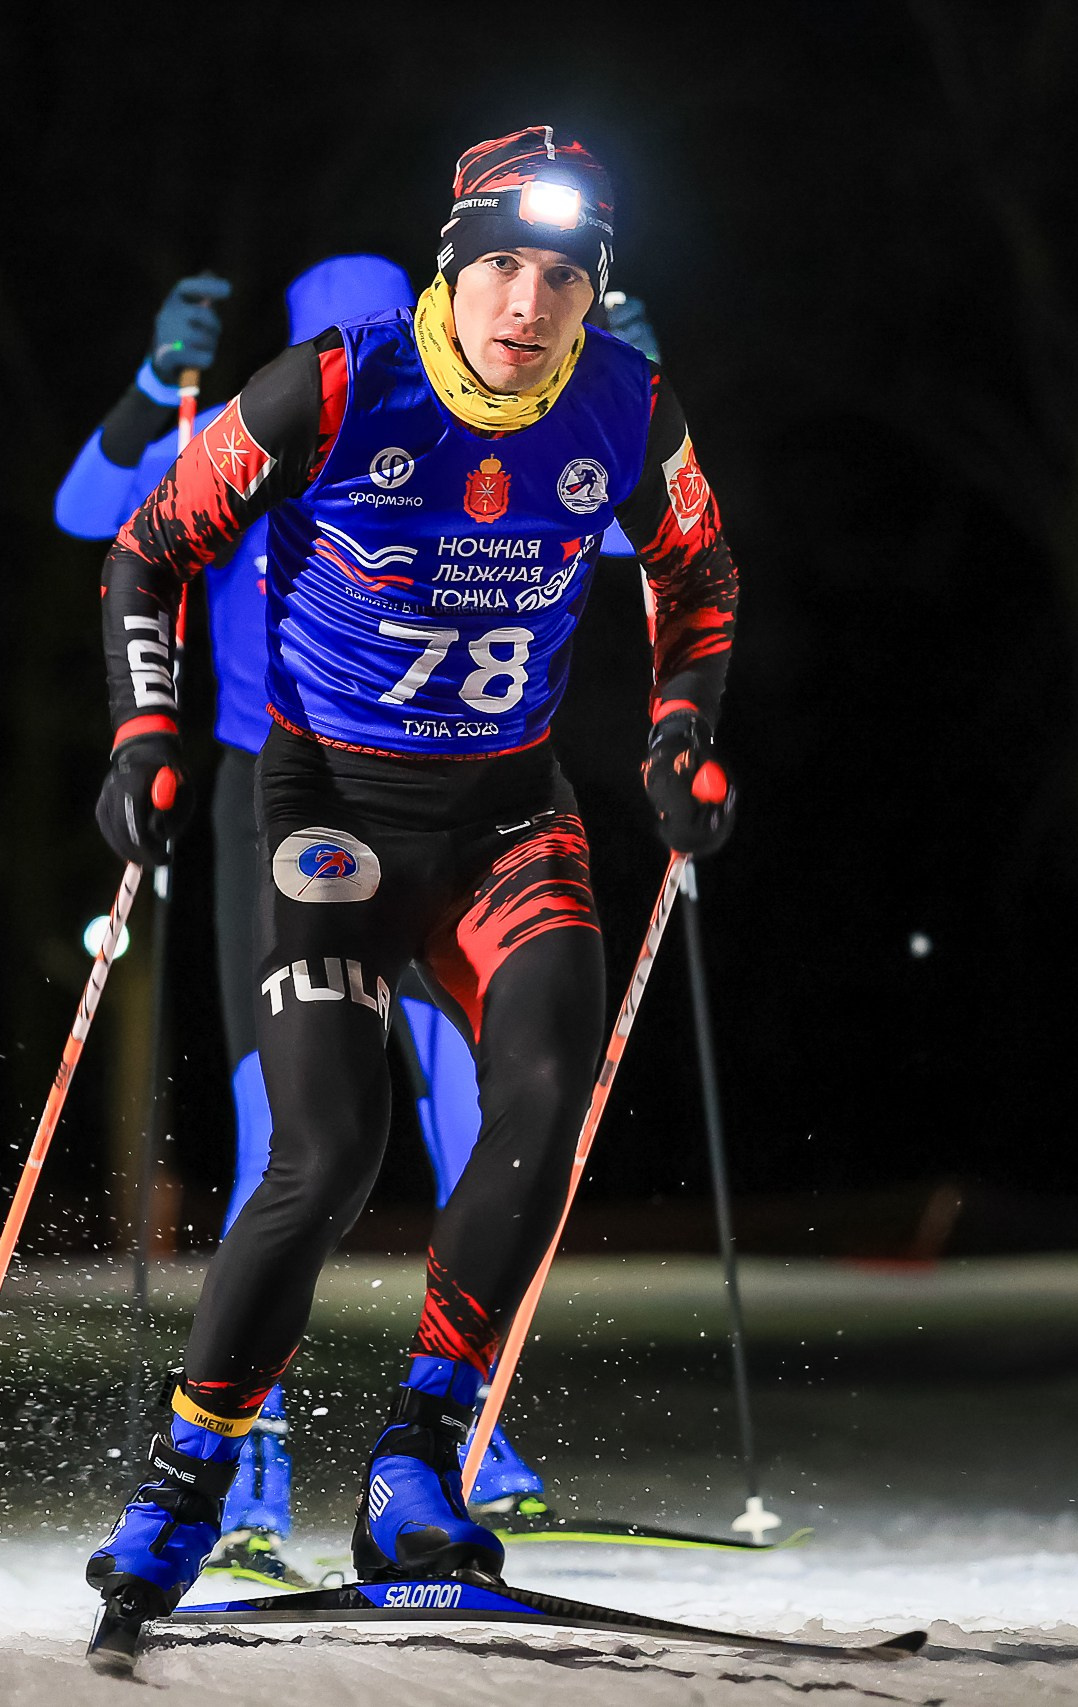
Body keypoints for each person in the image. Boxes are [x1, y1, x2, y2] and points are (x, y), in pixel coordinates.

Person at [82, 126, 740, 1640]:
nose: (530, 304)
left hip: (510, 819)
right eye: (503, 265)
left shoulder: (627, 403)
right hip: (335, 817)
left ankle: (418, 1461)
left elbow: (697, 571)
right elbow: (143, 549)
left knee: (544, 1102)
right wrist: (143, 732)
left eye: (564, 276)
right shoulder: (331, 385)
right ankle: (187, 1483)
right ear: (455, 269)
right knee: (327, 1152)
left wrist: (679, 730)